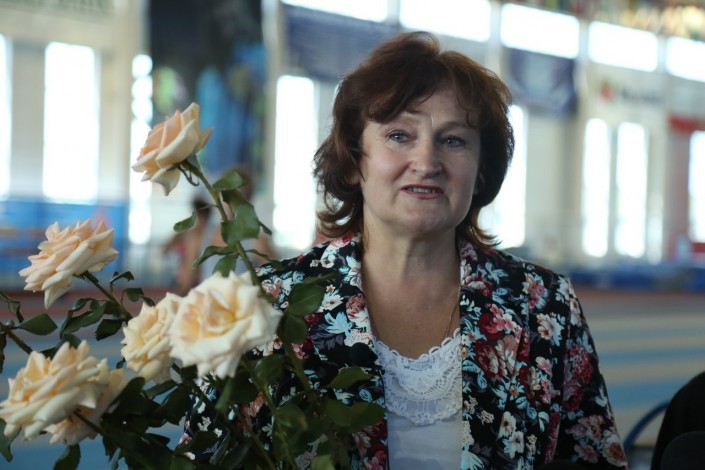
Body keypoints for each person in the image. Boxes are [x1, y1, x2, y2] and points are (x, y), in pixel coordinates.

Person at [182, 31, 627, 469]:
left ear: (480, 171)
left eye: (454, 140)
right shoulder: (266, 304)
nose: (427, 162)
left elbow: (592, 460)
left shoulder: (544, 305)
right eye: (399, 135)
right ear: (354, 160)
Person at [162, 196, 212, 295]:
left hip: (191, 281)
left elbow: (191, 264)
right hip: (185, 279)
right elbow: (165, 249)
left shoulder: (199, 235)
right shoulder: (188, 233)